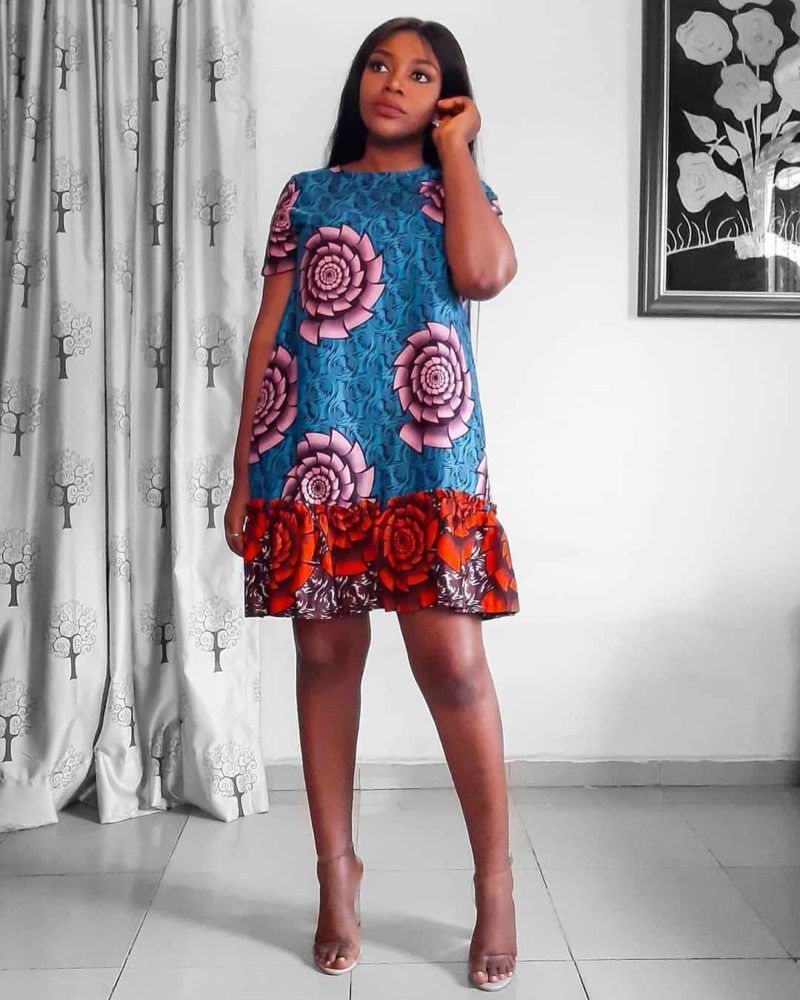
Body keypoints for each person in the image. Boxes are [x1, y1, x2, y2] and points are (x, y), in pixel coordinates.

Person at [224, 16, 520, 991]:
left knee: (454, 665)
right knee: (322, 656)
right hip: (309, 449)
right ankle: (336, 873)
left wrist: (456, 149)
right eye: (380, 65)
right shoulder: (306, 195)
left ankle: (493, 883)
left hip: (428, 453)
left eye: (420, 74)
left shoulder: (454, 190)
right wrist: (242, 473)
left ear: (446, 97)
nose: (392, 82)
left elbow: (482, 274)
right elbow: (268, 334)